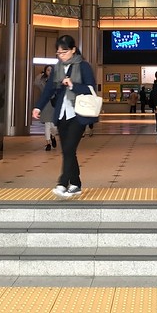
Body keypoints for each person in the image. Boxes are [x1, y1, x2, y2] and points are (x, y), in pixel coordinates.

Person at [32, 35, 97, 198]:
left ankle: (62, 183)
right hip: (62, 114)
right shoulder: (57, 68)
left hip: (78, 114)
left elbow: (90, 89)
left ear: (73, 50)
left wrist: (72, 85)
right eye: (58, 53)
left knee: (68, 149)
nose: (61, 55)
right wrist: (37, 107)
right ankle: (75, 184)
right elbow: (49, 90)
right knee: (69, 151)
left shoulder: (83, 66)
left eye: (64, 52)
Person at [33, 65, 57, 151]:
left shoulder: (56, 80)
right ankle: (48, 143)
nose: (49, 72)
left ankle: (53, 136)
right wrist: (41, 74)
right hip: (46, 104)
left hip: (54, 103)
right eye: (48, 70)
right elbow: (36, 82)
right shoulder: (42, 81)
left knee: (54, 126)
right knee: (47, 124)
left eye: (51, 70)